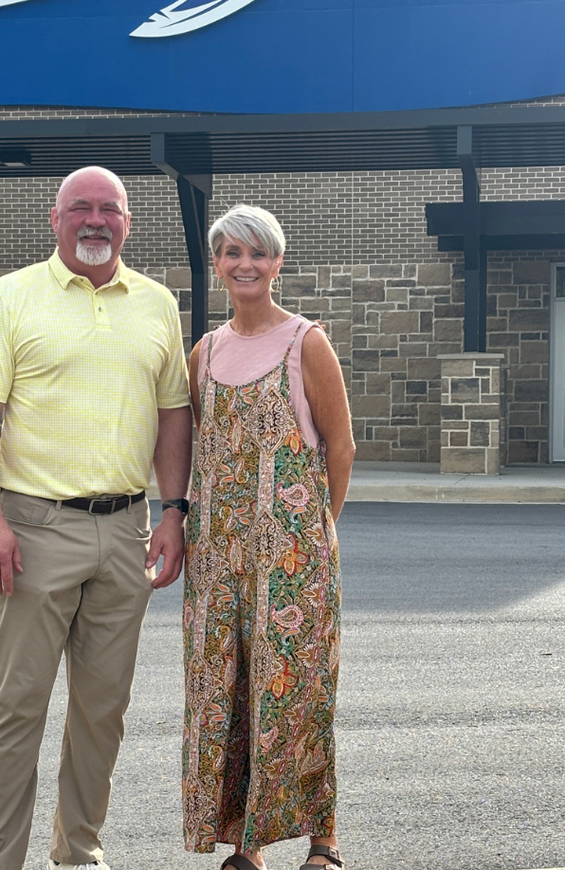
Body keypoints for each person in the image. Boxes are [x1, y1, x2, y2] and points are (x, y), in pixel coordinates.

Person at [0, 165, 192, 870]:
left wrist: (173, 510)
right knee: (16, 709)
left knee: (102, 712)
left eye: (110, 210)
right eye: (80, 208)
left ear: (128, 223)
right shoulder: (12, 298)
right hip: (34, 529)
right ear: (54, 219)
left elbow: (173, 415)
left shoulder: (156, 305)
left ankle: (78, 852)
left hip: (127, 531)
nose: (96, 221)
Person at [182, 205, 354, 870]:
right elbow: (204, 449)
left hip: (295, 560)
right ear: (218, 263)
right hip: (218, 560)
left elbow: (341, 447)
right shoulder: (204, 352)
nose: (245, 264)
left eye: (259, 253)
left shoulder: (305, 342)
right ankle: (244, 845)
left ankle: (324, 837)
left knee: (298, 692)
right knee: (226, 699)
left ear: (278, 262)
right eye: (231, 253)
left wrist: (313, 530)